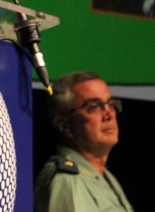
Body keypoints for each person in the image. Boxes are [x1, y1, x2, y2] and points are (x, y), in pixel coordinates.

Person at [34, 71, 134, 212]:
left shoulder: (104, 176)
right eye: (93, 107)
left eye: (111, 104)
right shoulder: (67, 180)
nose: (109, 114)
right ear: (64, 125)